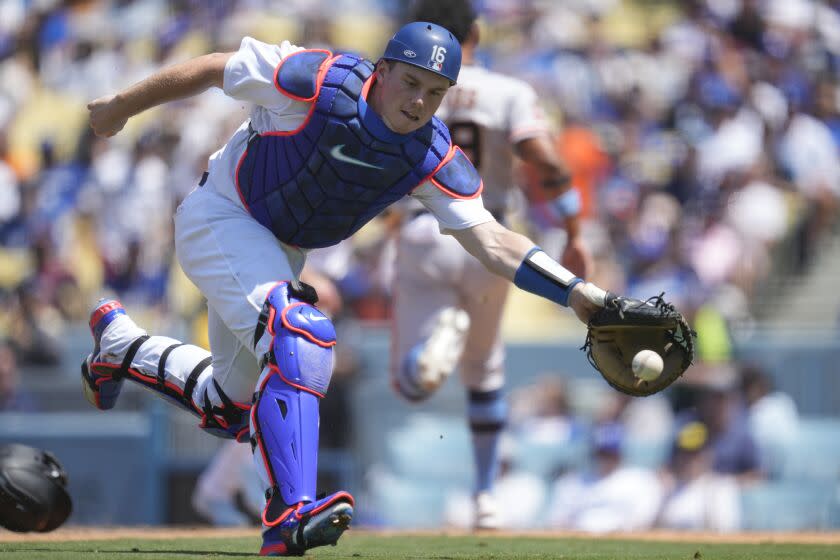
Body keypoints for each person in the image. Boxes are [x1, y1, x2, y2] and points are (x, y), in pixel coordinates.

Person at [84, 20, 610, 556]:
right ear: (382, 71)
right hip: (222, 216)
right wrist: (122, 105)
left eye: (434, 93)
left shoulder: (429, 152)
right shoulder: (318, 80)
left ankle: (123, 346)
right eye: (410, 82)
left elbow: (492, 239)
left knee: (231, 408)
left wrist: (578, 294)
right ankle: (288, 515)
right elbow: (215, 67)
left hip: (278, 250)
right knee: (299, 333)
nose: (419, 102)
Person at [389, 0, 590, 529]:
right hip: (489, 233)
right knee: (485, 372)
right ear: (476, 31)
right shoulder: (508, 92)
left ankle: (436, 343)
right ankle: (484, 497)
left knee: (412, 384)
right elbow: (545, 160)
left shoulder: (404, 87)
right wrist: (572, 228)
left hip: (420, 227)